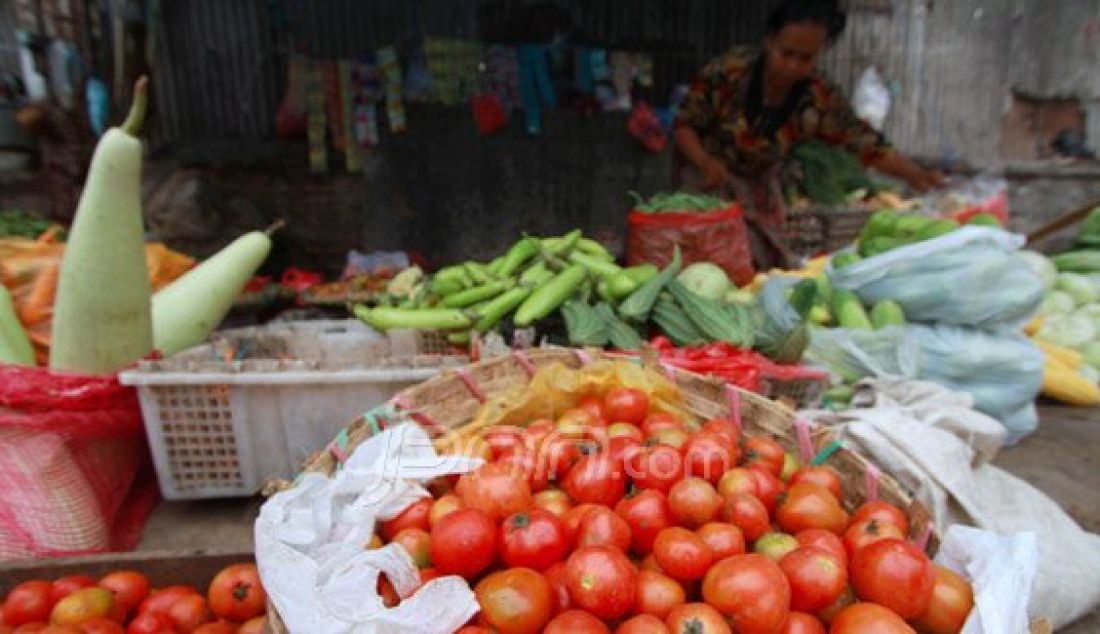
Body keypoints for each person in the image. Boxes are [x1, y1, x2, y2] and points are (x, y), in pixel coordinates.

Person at [673, 0, 943, 266]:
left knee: (763, 263)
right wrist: (704, 162)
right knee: (700, 260)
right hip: (706, 178)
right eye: (786, 53)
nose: (792, 66)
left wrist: (916, 175)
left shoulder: (819, 95)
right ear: (769, 41)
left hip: (759, 188)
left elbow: (864, 142)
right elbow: (685, 124)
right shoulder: (729, 72)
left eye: (806, 58)